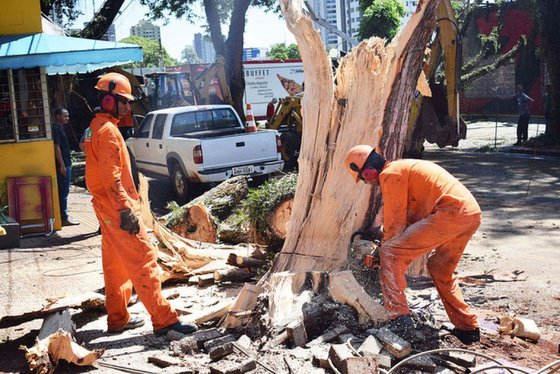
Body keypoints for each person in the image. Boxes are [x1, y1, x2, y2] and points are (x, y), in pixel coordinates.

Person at [84, 72, 198, 335]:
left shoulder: (94, 128)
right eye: (124, 102)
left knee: (115, 264)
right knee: (143, 258)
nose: (127, 107)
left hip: (105, 207)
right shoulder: (109, 132)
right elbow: (112, 179)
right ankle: (164, 320)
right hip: (117, 207)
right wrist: (125, 210)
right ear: (110, 101)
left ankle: (117, 318)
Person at [345, 145, 482, 344]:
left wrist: (381, 248)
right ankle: (468, 328)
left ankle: (399, 318)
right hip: (469, 213)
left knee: (391, 254)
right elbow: (409, 219)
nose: (366, 183)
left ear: (367, 172)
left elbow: (396, 226)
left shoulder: (391, 174)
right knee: (439, 268)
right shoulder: (404, 169)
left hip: (450, 212)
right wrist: (381, 233)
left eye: (363, 179)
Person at [52, 107, 80, 226]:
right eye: (65, 116)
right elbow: (56, 147)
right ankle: (64, 217)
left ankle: (64, 215)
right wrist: (62, 165)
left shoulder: (60, 128)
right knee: (63, 192)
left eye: (67, 116)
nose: (67, 118)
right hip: (63, 165)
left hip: (66, 163)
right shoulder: (56, 129)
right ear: (58, 116)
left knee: (64, 191)